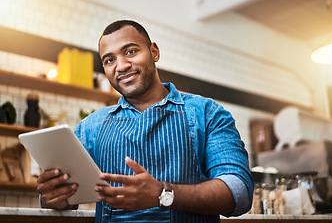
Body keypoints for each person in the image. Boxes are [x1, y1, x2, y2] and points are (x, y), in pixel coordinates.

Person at [37, 20, 254, 222]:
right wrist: (52, 198)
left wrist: (163, 193)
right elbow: (65, 201)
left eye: (130, 51)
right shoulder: (91, 127)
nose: (121, 66)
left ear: (154, 52)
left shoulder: (207, 113)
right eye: (109, 60)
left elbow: (239, 192)